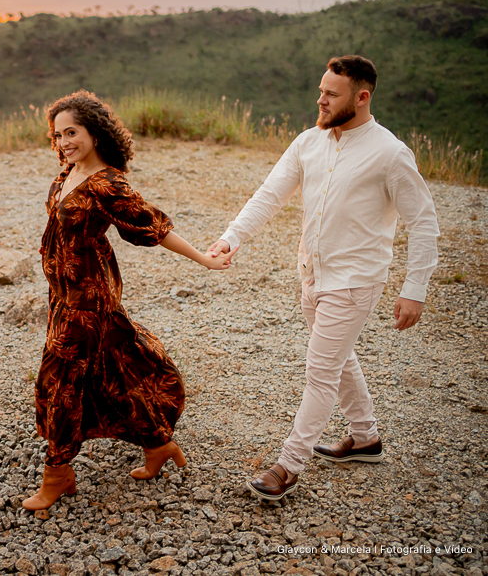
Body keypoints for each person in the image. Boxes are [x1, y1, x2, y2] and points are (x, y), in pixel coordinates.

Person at [207, 55, 440, 501]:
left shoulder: (390, 153)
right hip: (312, 275)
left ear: (362, 97)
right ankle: (366, 437)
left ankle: (288, 465)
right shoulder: (307, 142)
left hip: (355, 281)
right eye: (321, 91)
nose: (321, 100)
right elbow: (269, 196)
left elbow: (424, 223)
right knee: (336, 357)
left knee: (320, 371)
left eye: (332, 94)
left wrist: (415, 289)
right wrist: (231, 238)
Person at [23, 90, 239, 511]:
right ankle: (158, 444)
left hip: (87, 302)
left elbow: (152, 226)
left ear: (95, 132)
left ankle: (57, 474)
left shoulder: (107, 183)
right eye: (58, 134)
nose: (64, 142)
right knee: (116, 372)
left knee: (61, 385)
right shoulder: (69, 170)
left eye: (72, 132)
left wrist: (203, 258)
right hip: (63, 295)